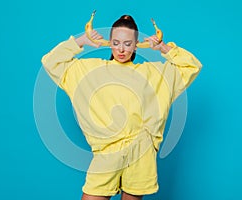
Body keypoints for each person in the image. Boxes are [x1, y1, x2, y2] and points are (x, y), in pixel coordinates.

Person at [41, 15, 202, 200]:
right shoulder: (91, 70)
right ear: (109, 43)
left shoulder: (153, 73)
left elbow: (191, 66)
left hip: (141, 153)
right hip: (107, 152)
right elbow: (51, 61)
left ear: (136, 45)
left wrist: (163, 48)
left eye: (127, 43)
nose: (121, 49)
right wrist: (82, 41)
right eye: (116, 43)